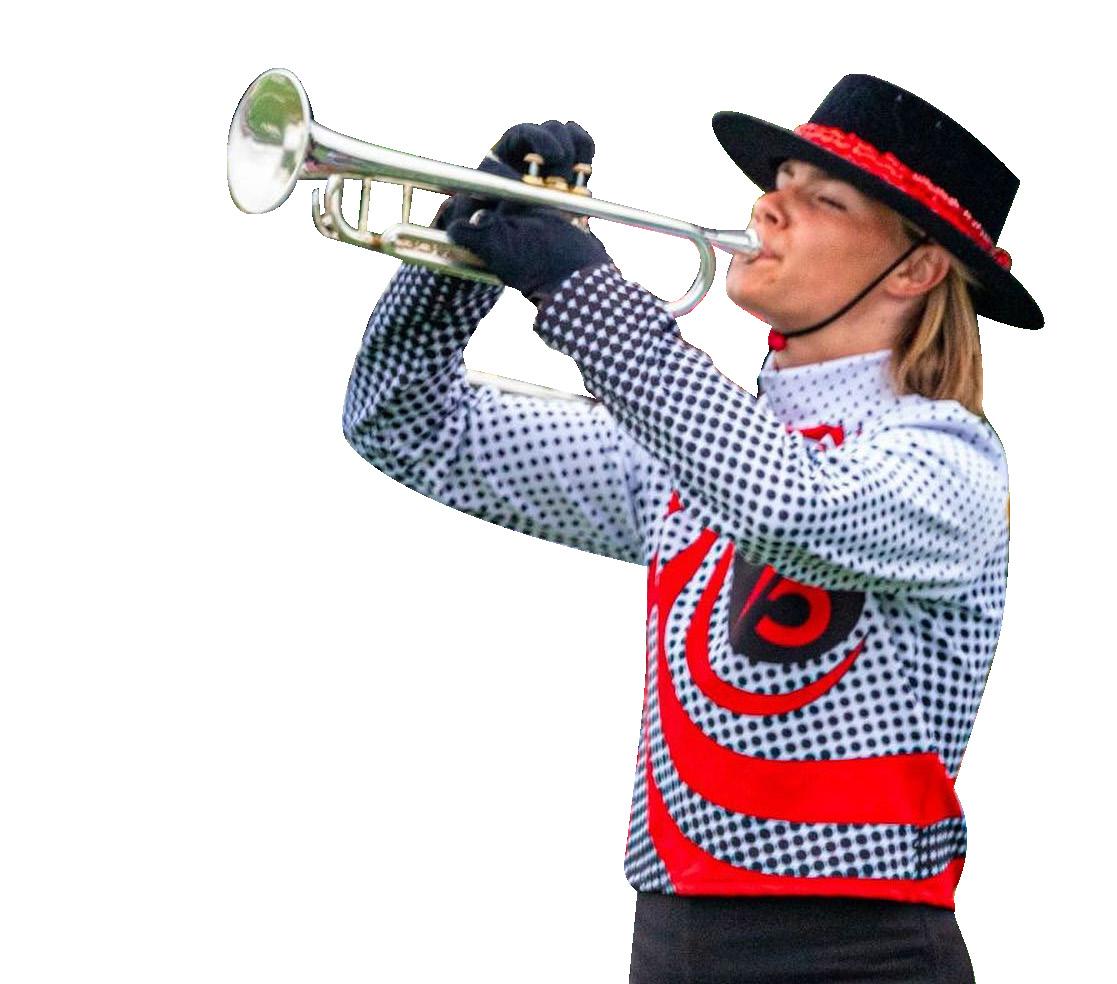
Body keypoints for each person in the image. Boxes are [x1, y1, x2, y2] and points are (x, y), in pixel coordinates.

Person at [342, 74, 1042, 983]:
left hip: (862, 953)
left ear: (914, 269)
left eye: (822, 199)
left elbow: (787, 505)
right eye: (778, 181)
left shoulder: (951, 461)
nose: (767, 206)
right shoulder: (693, 450)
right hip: (670, 941)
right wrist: (457, 255)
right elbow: (400, 421)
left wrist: (582, 291)